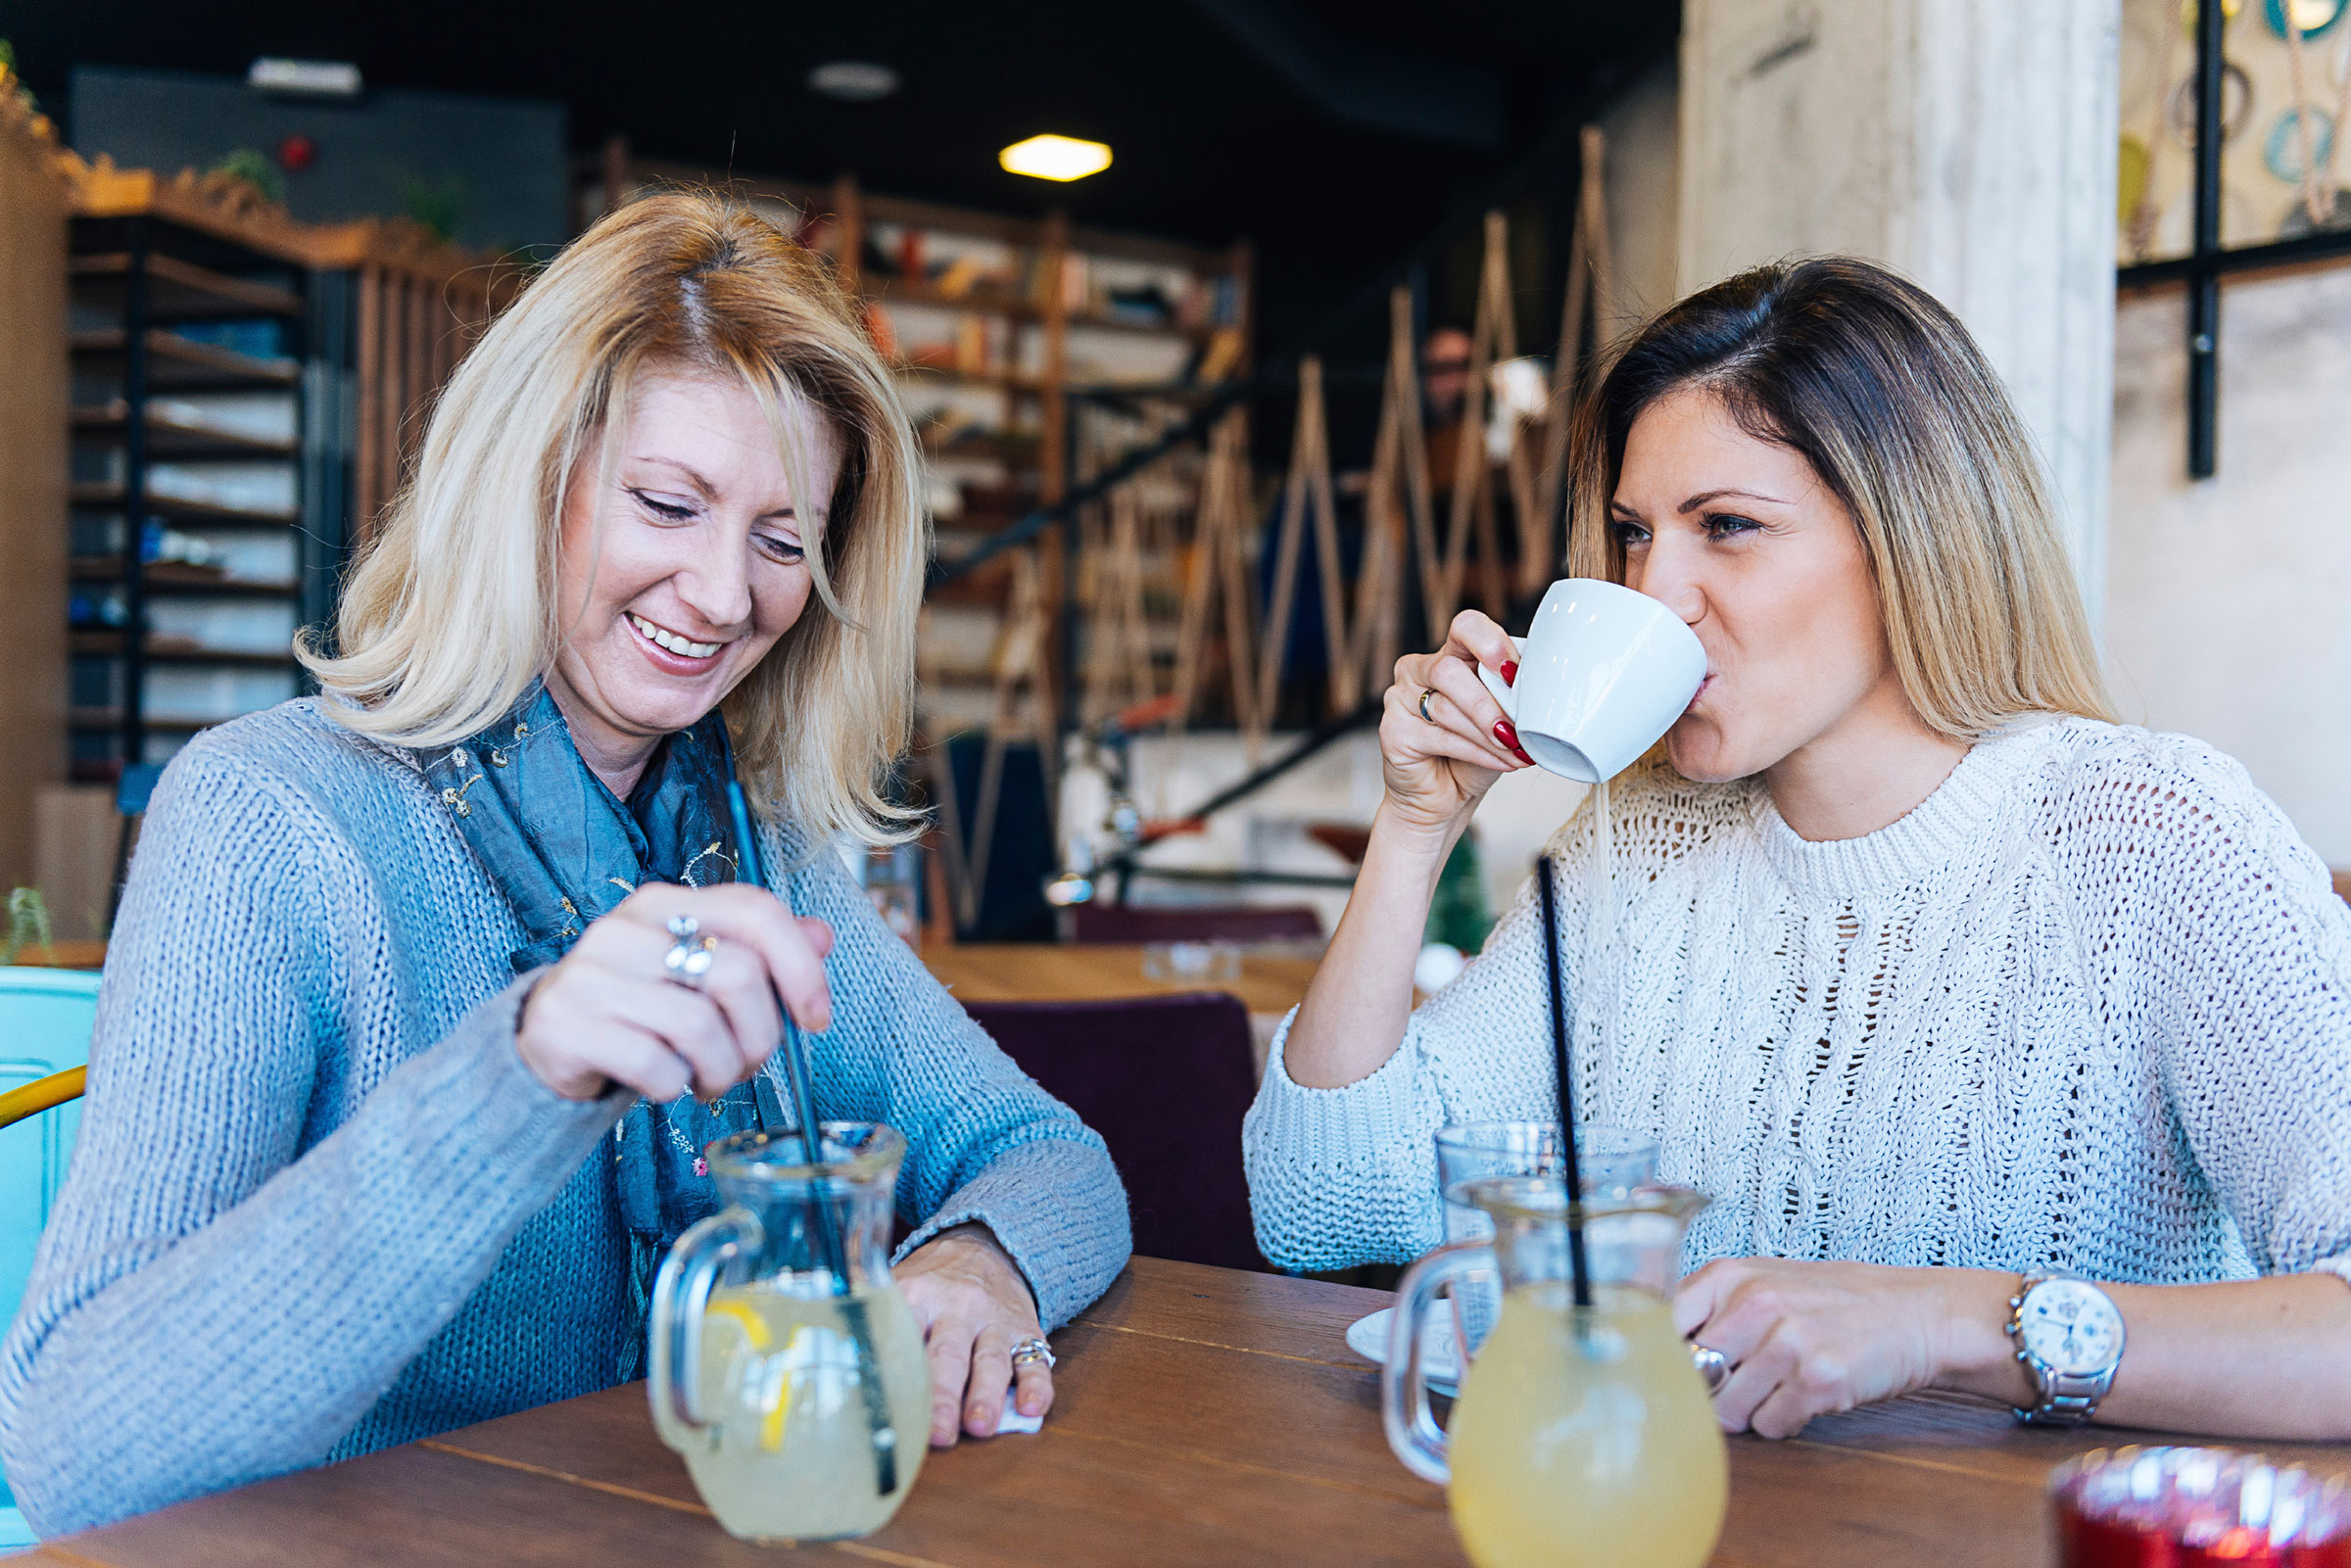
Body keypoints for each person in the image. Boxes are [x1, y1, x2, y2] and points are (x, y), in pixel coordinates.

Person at [0, 193, 1130, 1537]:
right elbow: (73, 1449)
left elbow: (1050, 1157)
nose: (723, 596)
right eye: (669, 503)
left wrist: (975, 1263)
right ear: (528, 477)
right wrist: (521, 1073)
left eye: (783, 540)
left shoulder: (764, 844)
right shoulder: (266, 817)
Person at [1243, 257, 2351, 1442]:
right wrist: (1415, 830)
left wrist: (1954, 1325)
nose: (1655, 591)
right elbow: (1326, 1201)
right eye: (1632, 534)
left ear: (1910, 537)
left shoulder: (2151, 835)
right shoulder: (1638, 841)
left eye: (1728, 526)